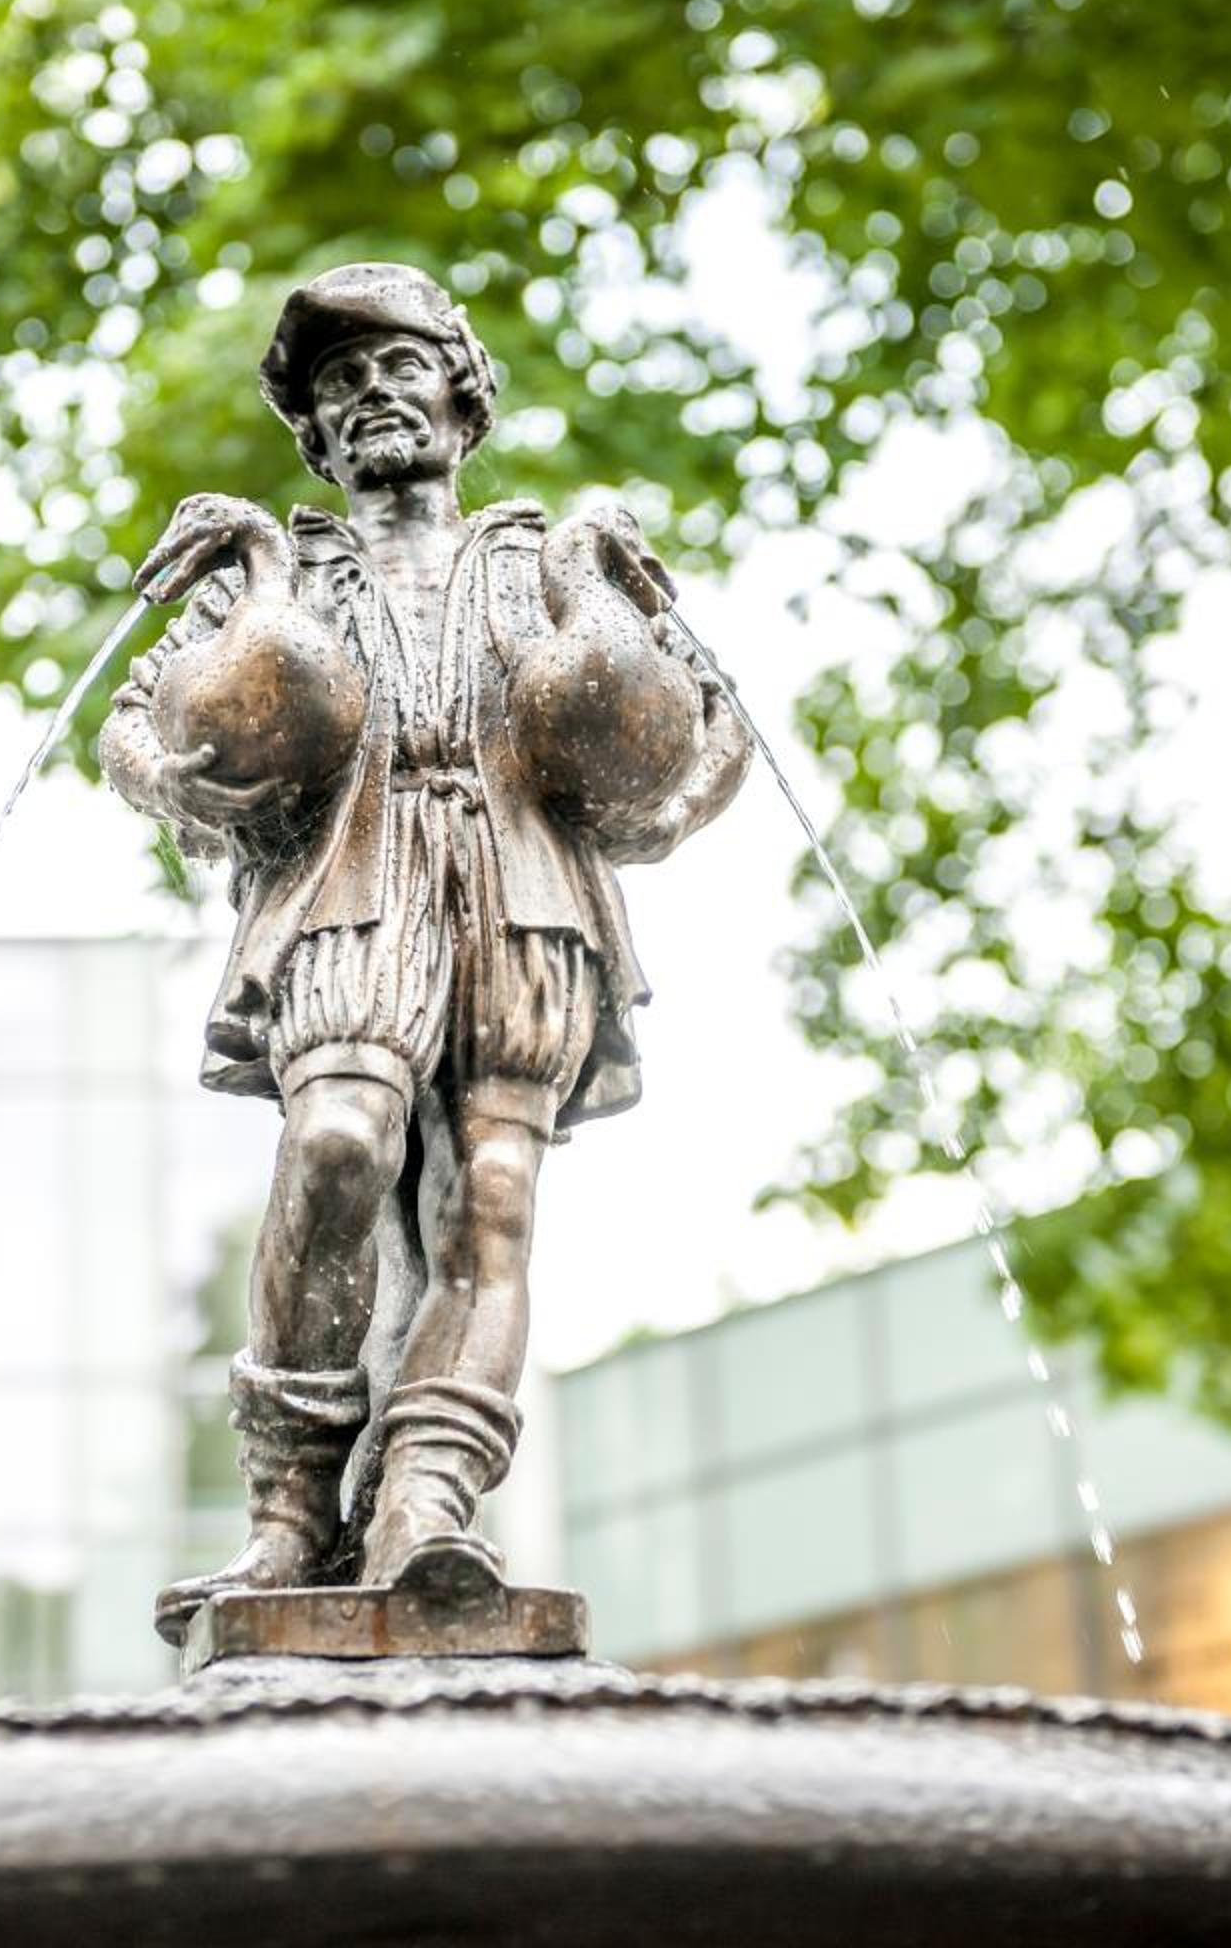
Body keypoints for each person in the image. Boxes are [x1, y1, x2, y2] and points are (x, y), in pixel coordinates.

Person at [101, 262, 750, 1644]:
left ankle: (424, 1504)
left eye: (400, 369)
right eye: (339, 385)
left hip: (522, 886)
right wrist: (169, 780)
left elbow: (705, 715)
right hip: (354, 878)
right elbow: (136, 718)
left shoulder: (546, 561)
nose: (371, 397)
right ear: (315, 436)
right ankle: (290, 1514)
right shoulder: (283, 572)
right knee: (337, 1142)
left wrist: (678, 793)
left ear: (464, 401)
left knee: (489, 1194)